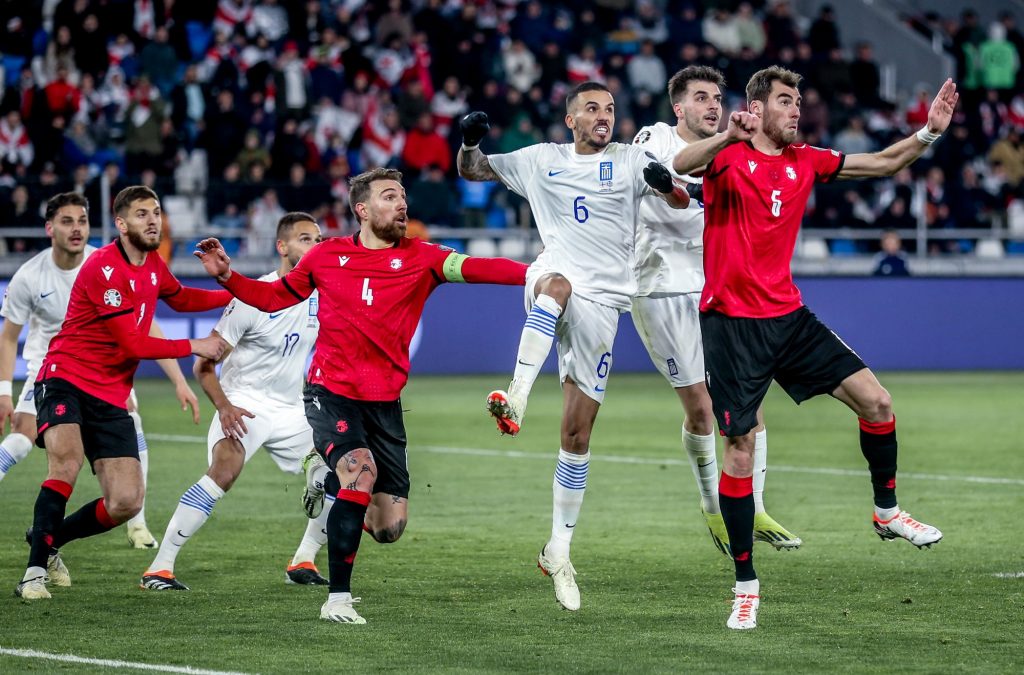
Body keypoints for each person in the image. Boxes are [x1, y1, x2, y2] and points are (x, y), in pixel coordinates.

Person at [672, 67, 955, 629]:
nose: (796, 109)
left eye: (799, 100)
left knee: (878, 403)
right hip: (732, 325)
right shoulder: (726, 156)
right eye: (784, 101)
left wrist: (928, 133)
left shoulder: (807, 160)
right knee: (739, 447)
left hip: (789, 317)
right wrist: (728, 135)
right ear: (756, 108)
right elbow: (680, 166)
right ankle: (746, 585)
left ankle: (886, 511)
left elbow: (881, 163)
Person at [194, 168, 527, 624]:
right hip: (330, 393)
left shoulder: (425, 258)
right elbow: (272, 298)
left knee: (388, 527)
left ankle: (325, 481)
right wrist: (229, 276)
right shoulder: (326, 257)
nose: (402, 204)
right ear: (363, 210)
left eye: (403, 197)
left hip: (384, 403)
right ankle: (337, 600)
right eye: (390, 197)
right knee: (360, 472)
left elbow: (480, 267)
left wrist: (537, 273)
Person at [457, 81, 689, 612]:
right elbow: (473, 170)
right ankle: (515, 396)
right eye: (592, 109)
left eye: (609, 108)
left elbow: (681, 199)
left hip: (607, 304)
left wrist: (665, 183)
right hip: (557, 279)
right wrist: (469, 142)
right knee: (555, 286)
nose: (603, 116)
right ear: (570, 120)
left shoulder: (633, 160)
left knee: (577, 433)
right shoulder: (541, 160)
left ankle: (558, 549)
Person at [14, 186, 229, 600]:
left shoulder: (152, 263)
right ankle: (34, 573)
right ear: (121, 223)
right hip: (66, 377)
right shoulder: (102, 267)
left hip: (111, 393)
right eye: (142, 214)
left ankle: (48, 538)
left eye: (156, 212)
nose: (153, 220)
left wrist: (234, 290)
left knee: (126, 501)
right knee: (67, 464)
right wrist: (194, 346)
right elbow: (134, 344)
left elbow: (181, 298)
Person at [631, 66, 800, 556]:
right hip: (661, 286)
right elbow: (668, 173)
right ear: (679, 108)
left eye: (717, 97)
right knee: (703, 410)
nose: (712, 105)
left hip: (716, 287)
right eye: (700, 97)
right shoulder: (655, 137)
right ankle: (714, 509)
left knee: (746, 402)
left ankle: (756, 505)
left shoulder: (738, 152)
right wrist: (727, 142)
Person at [142, 213, 331, 591]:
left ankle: (304, 559)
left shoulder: (322, 296)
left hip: (293, 409)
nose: (317, 246)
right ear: (283, 247)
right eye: (306, 239)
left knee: (346, 469)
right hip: (244, 403)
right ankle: (159, 568)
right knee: (224, 470)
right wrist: (225, 407)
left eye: (319, 239)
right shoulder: (253, 298)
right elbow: (204, 365)